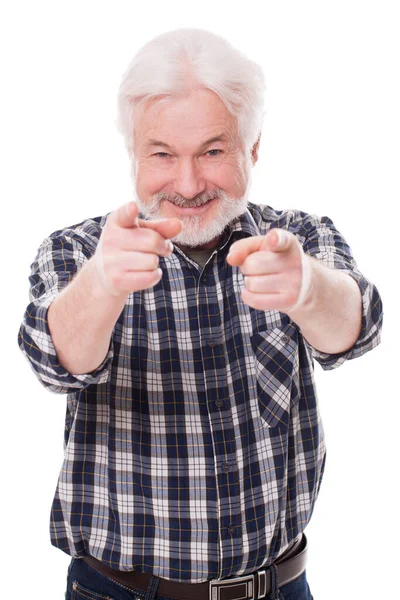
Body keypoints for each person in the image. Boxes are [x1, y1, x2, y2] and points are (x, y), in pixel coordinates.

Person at [18, 28, 383, 600]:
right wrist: (104, 283)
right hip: (120, 592)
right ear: (134, 153)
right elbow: (55, 360)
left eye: (213, 152)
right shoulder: (79, 252)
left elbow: (355, 332)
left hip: (280, 588)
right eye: (162, 154)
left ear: (253, 146)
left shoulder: (299, 240)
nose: (188, 185)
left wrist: (307, 288)